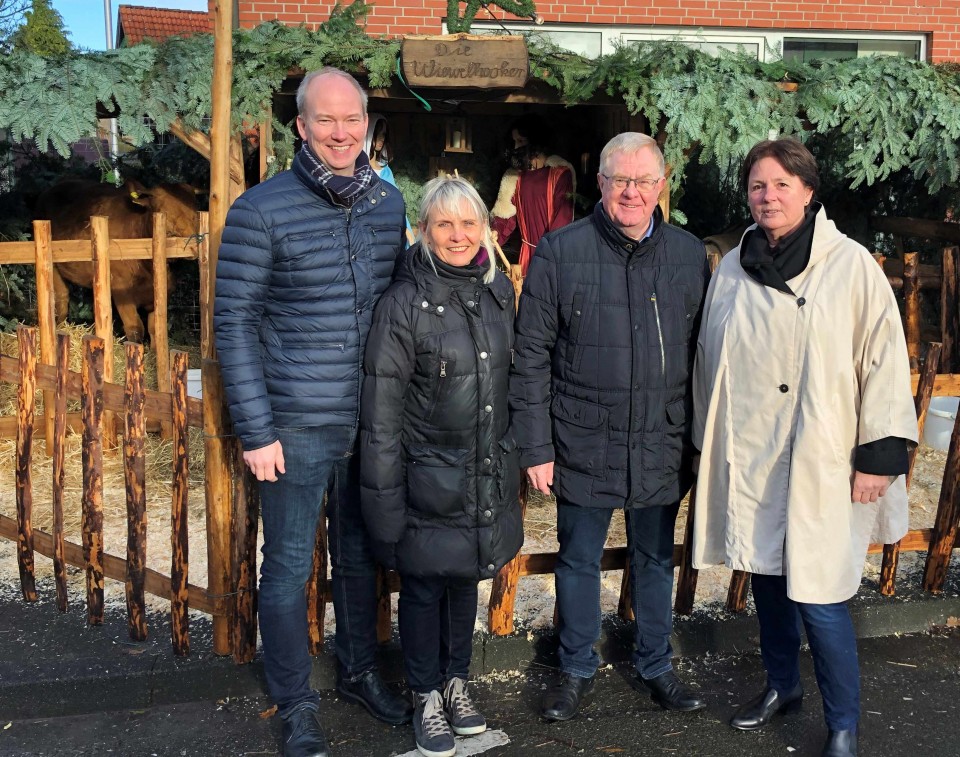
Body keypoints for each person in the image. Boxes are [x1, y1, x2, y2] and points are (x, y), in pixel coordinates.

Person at [692, 138, 918, 757]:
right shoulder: (734, 266)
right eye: (758, 186)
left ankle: (843, 721)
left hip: (826, 455)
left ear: (810, 192)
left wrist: (879, 455)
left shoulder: (850, 266)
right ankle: (782, 686)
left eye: (782, 185)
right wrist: (704, 442)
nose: (768, 197)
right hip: (755, 453)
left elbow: (884, 361)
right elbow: (709, 359)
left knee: (820, 594)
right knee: (765, 579)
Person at [214, 67, 412, 757]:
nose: (339, 131)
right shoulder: (260, 210)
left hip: (370, 422)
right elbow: (233, 323)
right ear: (300, 126)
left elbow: (401, 306)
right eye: (324, 120)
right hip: (293, 427)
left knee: (360, 557)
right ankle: (295, 702)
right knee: (290, 566)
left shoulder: (388, 205)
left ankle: (358, 671)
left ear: (367, 125)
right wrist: (256, 428)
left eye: (350, 119)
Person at [510, 132, 710, 722]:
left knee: (654, 559)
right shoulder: (560, 251)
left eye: (643, 181)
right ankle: (574, 667)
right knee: (577, 561)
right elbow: (531, 355)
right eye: (620, 179)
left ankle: (656, 665)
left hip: (660, 437)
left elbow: (703, 352)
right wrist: (536, 444)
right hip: (582, 436)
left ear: (660, 185)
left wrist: (699, 439)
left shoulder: (686, 254)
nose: (631, 192)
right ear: (600, 183)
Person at [359, 176, 523, 757]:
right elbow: (380, 416)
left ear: (484, 228)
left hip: (481, 474)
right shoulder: (404, 304)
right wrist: (384, 504)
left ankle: (457, 684)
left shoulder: (496, 290)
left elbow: (513, 385)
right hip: (426, 477)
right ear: (424, 231)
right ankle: (425, 694)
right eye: (444, 224)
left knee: (464, 584)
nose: (458, 235)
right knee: (425, 589)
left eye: (468, 223)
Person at [491, 114, 575, 276]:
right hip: (527, 259)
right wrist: (493, 236)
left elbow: (562, 223)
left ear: (536, 142)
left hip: (552, 260)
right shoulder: (515, 177)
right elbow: (505, 218)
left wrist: (550, 259)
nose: (516, 147)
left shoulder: (559, 175)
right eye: (514, 141)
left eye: (521, 141)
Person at [364, 114, 414, 244]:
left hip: (394, 232)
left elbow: (396, 204)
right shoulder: (359, 171)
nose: (381, 138)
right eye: (377, 134)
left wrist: (407, 229)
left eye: (384, 134)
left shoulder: (386, 171)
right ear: (368, 134)